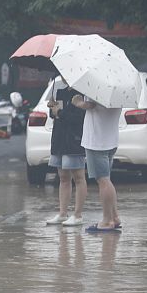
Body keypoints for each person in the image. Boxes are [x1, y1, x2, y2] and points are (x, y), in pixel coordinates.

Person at [72, 92, 122, 232]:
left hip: (96, 141)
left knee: (103, 181)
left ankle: (107, 221)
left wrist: (79, 103)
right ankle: (114, 216)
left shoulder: (97, 85)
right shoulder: (118, 89)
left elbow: (90, 104)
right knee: (107, 180)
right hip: (111, 140)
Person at [45, 76, 86, 227]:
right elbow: (54, 115)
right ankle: (62, 213)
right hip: (59, 140)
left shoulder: (80, 95)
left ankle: (78, 214)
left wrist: (60, 112)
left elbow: (79, 118)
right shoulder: (60, 92)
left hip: (74, 140)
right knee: (63, 177)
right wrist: (52, 109)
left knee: (78, 177)